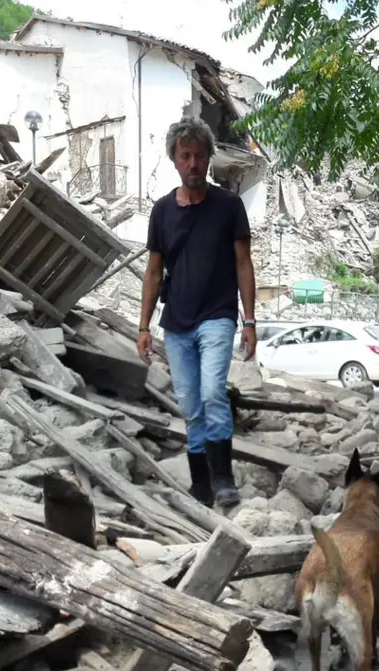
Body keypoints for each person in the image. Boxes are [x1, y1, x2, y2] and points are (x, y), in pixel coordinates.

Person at [137, 118, 257, 507]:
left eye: (199, 156)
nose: (192, 163)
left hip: (218, 315)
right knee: (189, 404)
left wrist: (250, 321)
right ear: (174, 159)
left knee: (211, 393)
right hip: (177, 323)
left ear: (208, 160)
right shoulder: (162, 212)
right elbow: (154, 272)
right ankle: (200, 483)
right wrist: (143, 327)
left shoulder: (229, 206)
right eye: (185, 156)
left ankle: (223, 478)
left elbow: (244, 264)